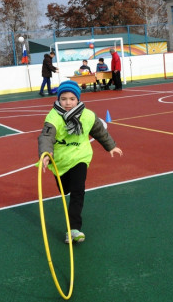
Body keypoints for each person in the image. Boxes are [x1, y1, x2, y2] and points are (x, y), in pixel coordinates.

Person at [38, 80, 123, 244]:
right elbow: (46, 136)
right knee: (65, 190)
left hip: (80, 157)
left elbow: (99, 131)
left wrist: (110, 146)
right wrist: (46, 153)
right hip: (61, 160)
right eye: (63, 98)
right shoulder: (53, 116)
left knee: (78, 191)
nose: (68, 102)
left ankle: (73, 229)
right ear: (58, 99)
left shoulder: (88, 115)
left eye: (71, 98)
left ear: (78, 99)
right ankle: (65, 187)